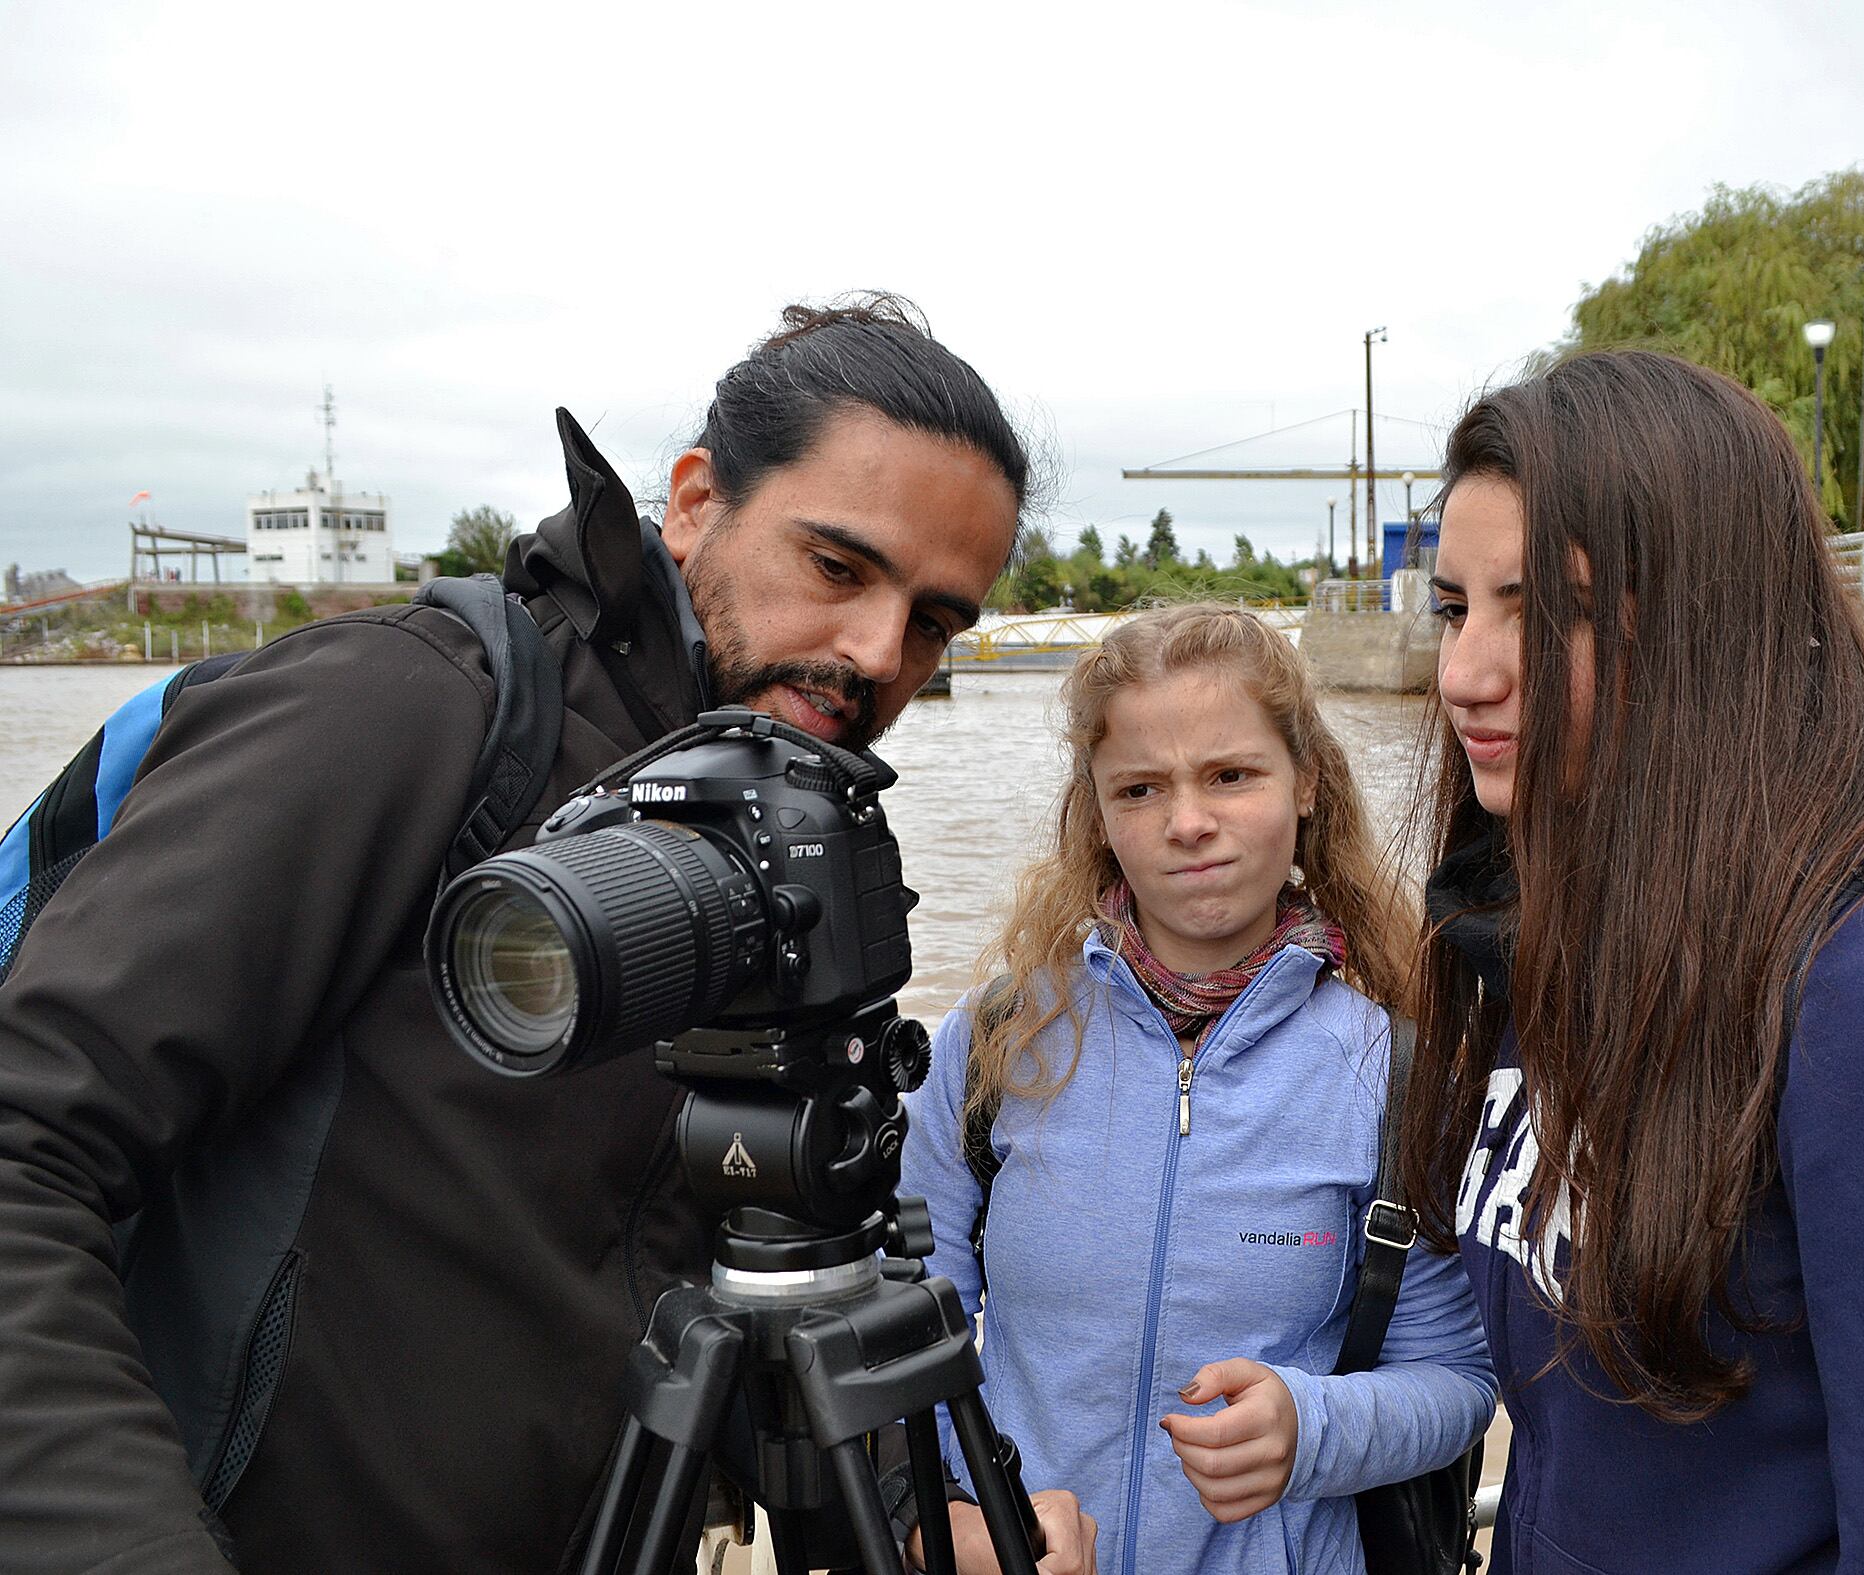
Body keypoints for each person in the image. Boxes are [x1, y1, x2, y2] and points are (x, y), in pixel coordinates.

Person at [0, 295, 1101, 1573]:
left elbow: (724, 1277)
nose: (876, 653)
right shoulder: (404, 711)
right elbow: (26, 1151)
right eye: (838, 568)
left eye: (933, 620)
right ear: (694, 503)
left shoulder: (793, 825)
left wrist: (916, 1522)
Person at [1403, 349, 1864, 1574]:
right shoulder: (1564, 931)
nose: (1464, 675)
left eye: (1552, 610)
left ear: (1715, 624)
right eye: (1454, 606)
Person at [895, 603, 1496, 1575]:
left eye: (1230, 775)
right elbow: (904, 1336)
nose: (1187, 822)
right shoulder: (995, 1048)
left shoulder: (1398, 1074)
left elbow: (1457, 1379)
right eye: (1140, 788)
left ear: (1304, 783)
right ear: (1097, 813)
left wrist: (1312, 1428)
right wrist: (956, 1521)